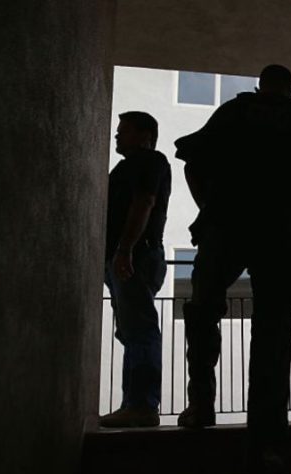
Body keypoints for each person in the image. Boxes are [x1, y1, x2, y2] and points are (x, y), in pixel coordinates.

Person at [174, 65, 291, 474]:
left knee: (203, 311)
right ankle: (267, 443)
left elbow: (191, 162)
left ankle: (201, 406)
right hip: (280, 232)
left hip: (226, 225)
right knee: (274, 334)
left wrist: (207, 212)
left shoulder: (234, 112)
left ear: (259, 86)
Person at [100, 111, 171, 428]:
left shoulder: (150, 161)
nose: (117, 136)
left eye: (124, 131)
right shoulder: (127, 167)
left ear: (145, 135)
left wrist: (125, 249)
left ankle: (141, 405)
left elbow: (145, 202)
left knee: (139, 329)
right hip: (129, 256)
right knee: (132, 330)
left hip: (136, 256)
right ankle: (135, 404)